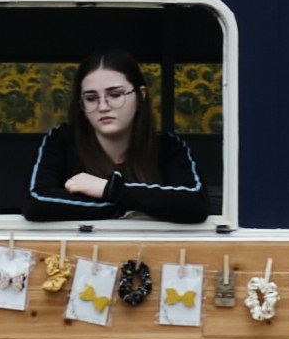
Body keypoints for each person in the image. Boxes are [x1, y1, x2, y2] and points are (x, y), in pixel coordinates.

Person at [19, 52, 215, 227]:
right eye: (91, 98)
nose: (103, 106)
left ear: (140, 97)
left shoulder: (168, 146)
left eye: (115, 94)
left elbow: (195, 204)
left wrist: (109, 189)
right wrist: (127, 206)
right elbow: (35, 202)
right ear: (81, 104)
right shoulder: (61, 141)